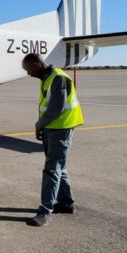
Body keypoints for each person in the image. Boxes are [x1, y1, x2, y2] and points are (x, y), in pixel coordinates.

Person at [21, 53, 84, 227]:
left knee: (52, 170)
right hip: (52, 128)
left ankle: (45, 211)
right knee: (59, 168)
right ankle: (65, 203)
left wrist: (39, 124)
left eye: (28, 69)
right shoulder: (47, 78)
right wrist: (42, 126)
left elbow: (57, 108)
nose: (28, 73)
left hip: (61, 128)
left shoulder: (58, 78)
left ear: (36, 64)